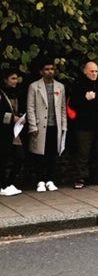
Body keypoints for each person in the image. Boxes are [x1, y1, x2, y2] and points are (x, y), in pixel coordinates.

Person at [68, 61, 98, 189]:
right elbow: (72, 104)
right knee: (83, 152)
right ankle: (80, 178)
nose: (94, 74)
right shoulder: (78, 86)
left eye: (96, 71)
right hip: (84, 126)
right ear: (85, 71)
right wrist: (84, 99)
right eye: (92, 71)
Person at [26, 59, 67, 192]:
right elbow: (30, 107)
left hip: (55, 125)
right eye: (47, 69)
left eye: (52, 69)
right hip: (40, 125)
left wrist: (64, 126)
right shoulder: (34, 87)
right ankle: (40, 180)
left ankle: (50, 179)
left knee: (52, 153)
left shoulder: (60, 86)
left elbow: (62, 108)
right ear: (41, 72)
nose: (50, 72)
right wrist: (32, 126)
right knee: (39, 154)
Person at [0, 68, 26, 196]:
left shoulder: (16, 94)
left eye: (16, 78)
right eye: (12, 79)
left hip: (15, 132)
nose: (15, 81)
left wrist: (21, 117)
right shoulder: (2, 94)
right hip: (4, 132)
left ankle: (9, 183)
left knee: (20, 157)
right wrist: (12, 118)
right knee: (3, 159)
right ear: (6, 80)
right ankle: (3, 185)